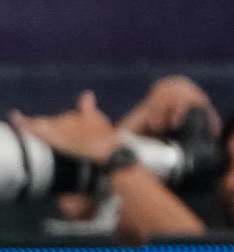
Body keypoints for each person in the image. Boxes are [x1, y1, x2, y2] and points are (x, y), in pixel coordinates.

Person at [16, 78, 224, 240]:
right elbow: (78, 208)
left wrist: (112, 152)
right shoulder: (213, 213)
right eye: (229, 167)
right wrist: (145, 117)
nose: (230, 183)